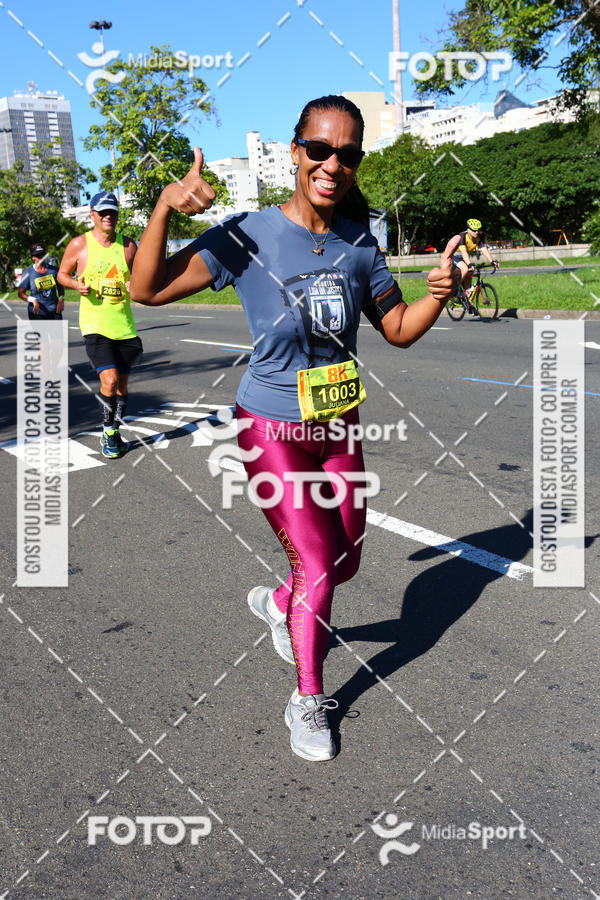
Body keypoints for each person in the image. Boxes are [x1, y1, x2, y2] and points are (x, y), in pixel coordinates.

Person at [130, 95, 465, 761]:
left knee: (344, 562)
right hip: (270, 428)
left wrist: (437, 293)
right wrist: (165, 207)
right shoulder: (246, 234)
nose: (332, 164)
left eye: (347, 153)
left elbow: (395, 331)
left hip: (339, 426)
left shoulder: (360, 246)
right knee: (316, 561)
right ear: (294, 152)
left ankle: (279, 602)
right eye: (320, 149)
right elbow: (148, 290)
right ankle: (309, 697)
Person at [58, 191, 141, 459]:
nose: (108, 216)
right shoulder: (79, 245)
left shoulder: (129, 246)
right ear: (92, 215)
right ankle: (107, 433)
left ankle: (115, 430)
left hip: (124, 326)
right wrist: (75, 284)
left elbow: (140, 278)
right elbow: (62, 274)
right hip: (95, 325)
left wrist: (135, 285)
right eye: (102, 212)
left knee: (122, 387)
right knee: (110, 378)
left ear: (118, 215)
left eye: (112, 212)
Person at [453, 218, 499, 306]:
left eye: (478, 230)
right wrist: (469, 264)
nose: (476, 232)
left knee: (470, 273)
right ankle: (455, 289)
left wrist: (492, 261)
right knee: (465, 269)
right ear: (468, 229)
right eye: (474, 230)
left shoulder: (479, 236)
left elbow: (484, 249)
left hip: (465, 258)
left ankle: (467, 300)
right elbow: (463, 252)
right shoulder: (462, 236)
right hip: (456, 257)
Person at [18, 244, 65, 320]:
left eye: (43, 254)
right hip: (37, 313)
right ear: (33, 257)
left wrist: (61, 299)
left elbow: (60, 287)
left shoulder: (54, 270)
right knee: (41, 332)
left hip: (55, 311)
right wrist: (33, 300)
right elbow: (20, 293)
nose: (41, 257)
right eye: (38, 255)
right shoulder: (28, 273)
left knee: (57, 332)